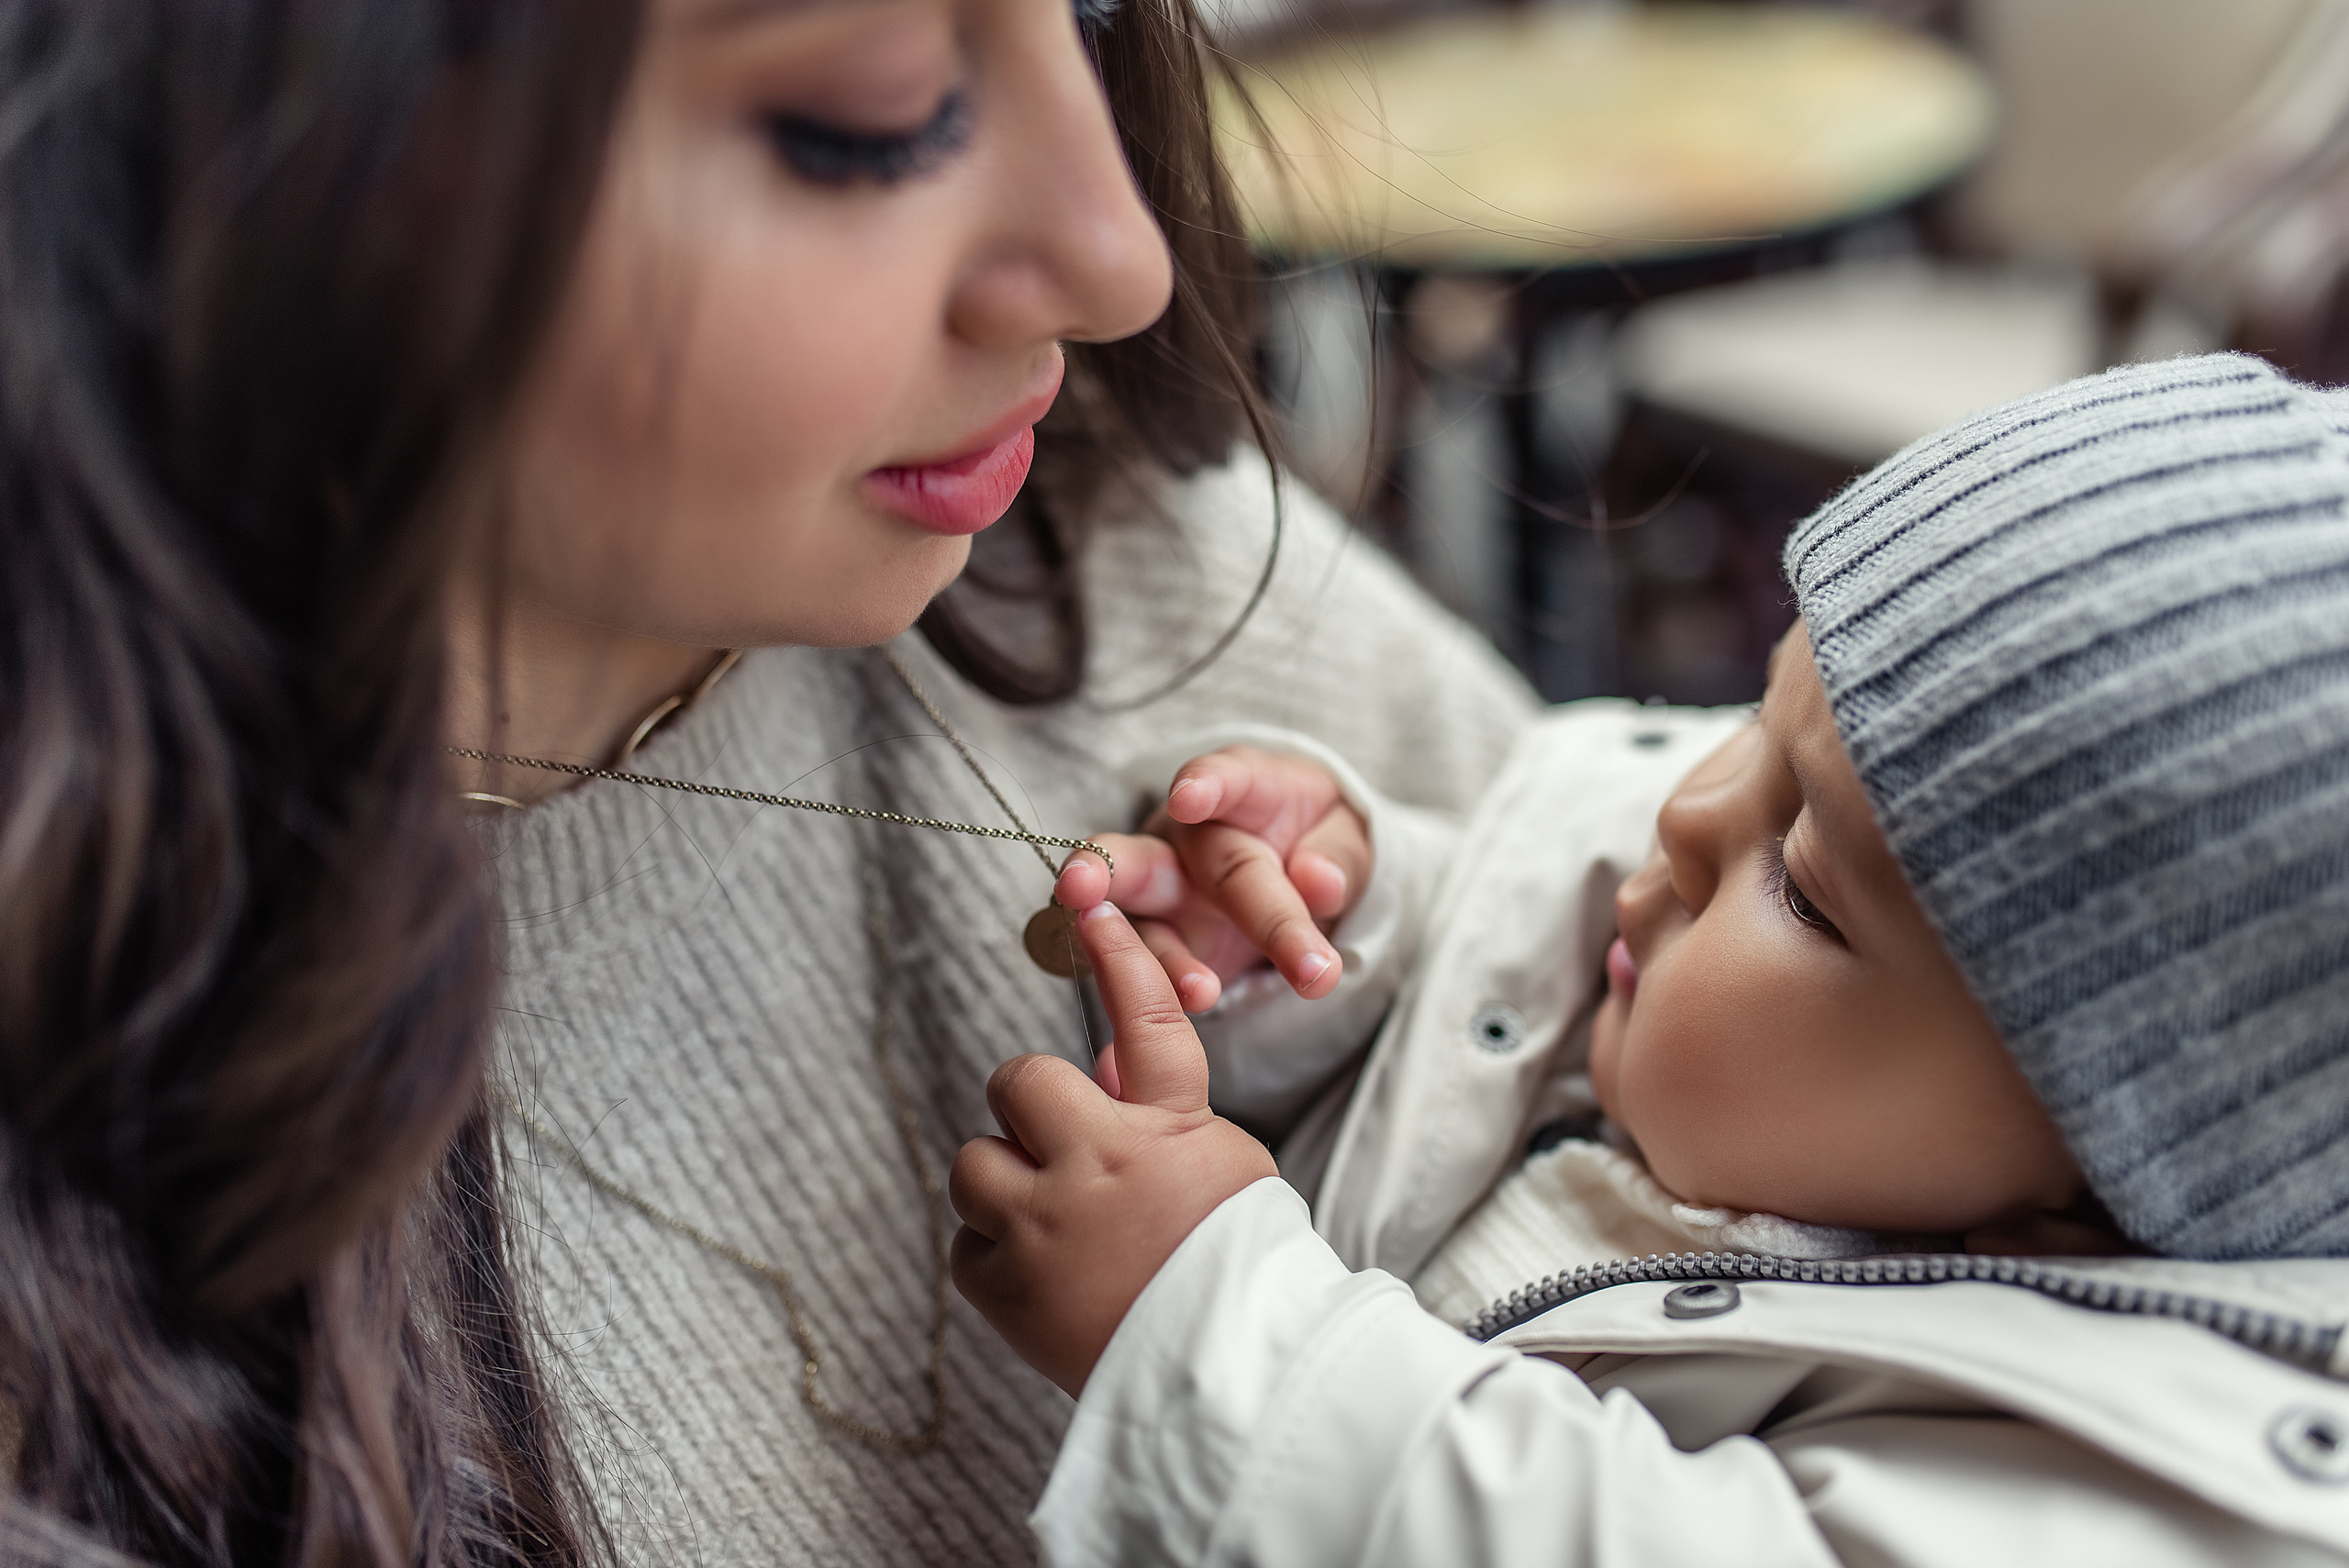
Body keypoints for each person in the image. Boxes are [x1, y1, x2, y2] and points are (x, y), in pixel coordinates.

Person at [0, 1, 1532, 1562]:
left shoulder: (1127, 567)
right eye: (870, 114)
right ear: (267, 170)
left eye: (1092, 13)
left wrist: (1378, 945)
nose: (1119, 255)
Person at [951, 352, 2349, 1566]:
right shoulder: (1785, 1053)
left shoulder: (2083, 1496)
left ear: (2076, 1217)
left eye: (1803, 885)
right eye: (1757, 716)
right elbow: (1525, 1000)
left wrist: (1199, 1323)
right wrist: (1327, 937)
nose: (1684, 816)